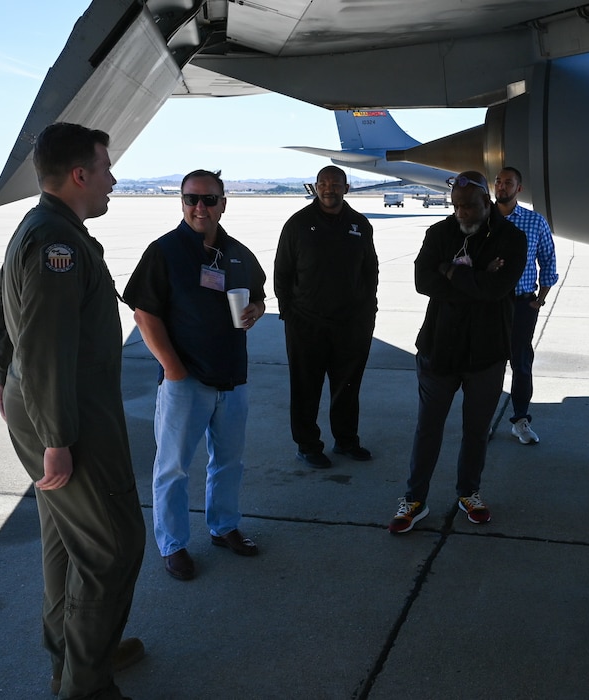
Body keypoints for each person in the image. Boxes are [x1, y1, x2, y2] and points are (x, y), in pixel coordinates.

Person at [0, 122, 146, 698]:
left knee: (64, 539)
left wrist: (2, 376)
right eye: (104, 169)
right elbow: (47, 346)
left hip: (50, 408)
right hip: (67, 416)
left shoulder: (45, 227)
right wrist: (55, 433)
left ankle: (74, 656)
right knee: (112, 547)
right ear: (79, 175)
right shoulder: (56, 242)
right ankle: (85, 682)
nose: (112, 180)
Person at [122, 169, 266, 580]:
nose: (200, 207)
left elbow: (256, 293)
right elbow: (144, 314)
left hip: (232, 377)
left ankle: (224, 527)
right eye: (191, 199)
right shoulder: (164, 251)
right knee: (173, 467)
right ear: (181, 202)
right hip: (185, 382)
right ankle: (174, 545)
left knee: (229, 462)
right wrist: (173, 369)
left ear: (224, 203)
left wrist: (255, 308)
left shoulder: (237, 251)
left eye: (209, 199)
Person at [388, 171, 526, 534]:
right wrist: (477, 277)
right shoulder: (440, 233)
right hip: (438, 349)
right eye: (456, 207)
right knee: (428, 428)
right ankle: (414, 499)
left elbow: (498, 289)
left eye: (468, 206)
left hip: (487, 353)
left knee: (476, 430)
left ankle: (469, 492)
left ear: (487, 203)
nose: (460, 213)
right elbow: (423, 282)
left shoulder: (512, 237)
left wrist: (450, 271)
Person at [275, 165, 378, 468]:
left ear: (347, 188)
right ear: (315, 187)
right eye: (323, 184)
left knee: (347, 387)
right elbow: (282, 272)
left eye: (336, 184)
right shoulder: (298, 224)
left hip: (351, 324)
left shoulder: (360, 224)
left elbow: (370, 270)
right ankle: (308, 445)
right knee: (306, 387)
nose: (329, 189)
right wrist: (289, 314)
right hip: (306, 324)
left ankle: (346, 441)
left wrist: (368, 311)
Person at [494, 166, 559, 445]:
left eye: (508, 183)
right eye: (498, 182)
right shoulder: (484, 220)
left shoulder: (535, 222)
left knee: (521, 363)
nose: (502, 187)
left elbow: (548, 261)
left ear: (519, 188)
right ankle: (483, 419)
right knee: (489, 363)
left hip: (522, 304)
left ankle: (520, 419)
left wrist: (540, 299)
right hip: (489, 304)